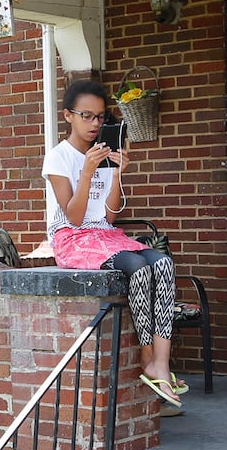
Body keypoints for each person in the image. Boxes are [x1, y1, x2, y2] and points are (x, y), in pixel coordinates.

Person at [42, 79, 184, 407]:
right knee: (137, 268)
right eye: (86, 116)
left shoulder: (104, 154)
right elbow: (75, 218)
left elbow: (108, 217)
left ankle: (161, 362)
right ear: (68, 116)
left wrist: (117, 173)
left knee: (161, 263)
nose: (94, 124)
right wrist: (88, 171)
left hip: (103, 236)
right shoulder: (58, 158)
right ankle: (148, 357)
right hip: (72, 239)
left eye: (101, 118)